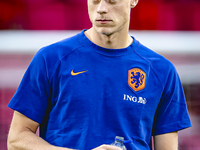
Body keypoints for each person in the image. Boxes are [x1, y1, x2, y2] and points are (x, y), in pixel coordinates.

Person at [7, 0, 192, 150]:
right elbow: (16, 139)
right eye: (95, 0)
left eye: (112, 1)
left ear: (133, 1)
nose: (102, 9)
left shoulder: (162, 71)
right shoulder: (51, 59)